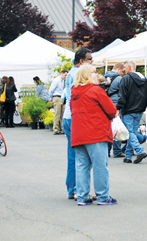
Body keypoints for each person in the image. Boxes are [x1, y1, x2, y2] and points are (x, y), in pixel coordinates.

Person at [71, 64, 118, 206]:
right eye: (93, 72)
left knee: (81, 166)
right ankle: (103, 196)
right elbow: (111, 110)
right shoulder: (96, 90)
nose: (96, 74)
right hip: (96, 132)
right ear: (87, 75)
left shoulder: (74, 92)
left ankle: (82, 196)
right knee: (100, 166)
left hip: (78, 133)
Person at [62, 47, 92, 200]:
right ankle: (76, 189)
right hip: (74, 118)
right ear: (82, 61)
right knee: (79, 155)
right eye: (89, 59)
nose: (92, 62)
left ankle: (72, 188)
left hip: (68, 116)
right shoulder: (78, 74)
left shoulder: (70, 73)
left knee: (73, 154)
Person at [116, 59, 147, 164]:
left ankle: (140, 150)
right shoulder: (143, 78)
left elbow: (122, 95)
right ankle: (128, 156)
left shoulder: (125, 79)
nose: (124, 70)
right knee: (132, 132)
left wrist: (118, 108)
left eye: (124, 67)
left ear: (129, 67)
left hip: (128, 109)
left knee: (129, 133)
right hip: (140, 109)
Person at [104, 62, 126, 158]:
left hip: (106, 103)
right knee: (117, 128)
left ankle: (107, 150)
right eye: (122, 71)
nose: (123, 73)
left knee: (109, 128)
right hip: (116, 104)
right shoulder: (119, 79)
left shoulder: (105, 77)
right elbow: (122, 93)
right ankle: (117, 150)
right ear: (119, 69)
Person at [48, 70, 67, 134]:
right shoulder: (56, 80)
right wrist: (51, 97)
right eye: (65, 75)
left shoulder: (63, 81)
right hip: (56, 97)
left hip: (61, 97)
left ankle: (62, 129)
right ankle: (56, 129)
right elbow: (51, 90)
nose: (66, 76)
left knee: (62, 114)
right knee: (57, 114)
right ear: (62, 74)